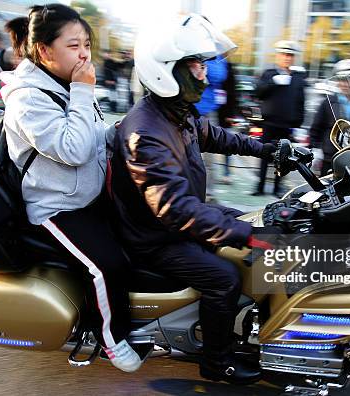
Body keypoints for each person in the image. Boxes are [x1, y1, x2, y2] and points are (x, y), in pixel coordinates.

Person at [111, 14, 276, 385]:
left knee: (263, 218)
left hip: (178, 219)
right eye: (197, 66)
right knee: (224, 277)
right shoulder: (146, 132)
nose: (205, 74)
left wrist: (270, 150)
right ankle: (217, 362)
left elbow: (217, 136)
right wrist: (243, 236)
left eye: (204, 64)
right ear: (166, 71)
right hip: (156, 237)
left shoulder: (175, 113)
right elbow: (174, 208)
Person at [1, 4, 141, 373]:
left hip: (88, 194)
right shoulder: (28, 97)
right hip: (55, 206)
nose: (84, 54)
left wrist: (130, 133)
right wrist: (82, 91)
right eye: (74, 45)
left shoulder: (65, 84)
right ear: (45, 51)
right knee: (106, 265)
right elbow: (73, 150)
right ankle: (110, 338)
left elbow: (94, 134)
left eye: (87, 45)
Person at [253, 40, 305, 198]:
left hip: (286, 124)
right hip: (269, 122)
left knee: (283, 157)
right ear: (278, 56)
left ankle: (277, 188)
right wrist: (272, 82)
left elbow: (300, 100)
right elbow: (258, 93)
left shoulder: (297, 77)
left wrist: (298, 122)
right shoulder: (269, 73)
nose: (287, 58)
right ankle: (260, 186)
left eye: (290, 55)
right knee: (264, 155)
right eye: (284, 55)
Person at [309, 59, 350, 176]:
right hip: (331, 156)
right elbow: (316, 128)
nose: (347, 84)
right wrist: (316, 149)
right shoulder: (329, 102)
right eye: (343, 80)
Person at [196, 54, 229, 194]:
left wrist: (204, 67)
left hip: (208, 111)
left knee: (208, 155)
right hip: (186, 109)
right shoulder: (191, 50)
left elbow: (219, 75)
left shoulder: (216, 57)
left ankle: (208, 192)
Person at [216, 60, 239, 185]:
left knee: (226, 146)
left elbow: (233, 93)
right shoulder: (207, 63)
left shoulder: (228, 66)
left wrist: (231, 114)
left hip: (225, 114)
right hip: (211, 110)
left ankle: (227, 174)